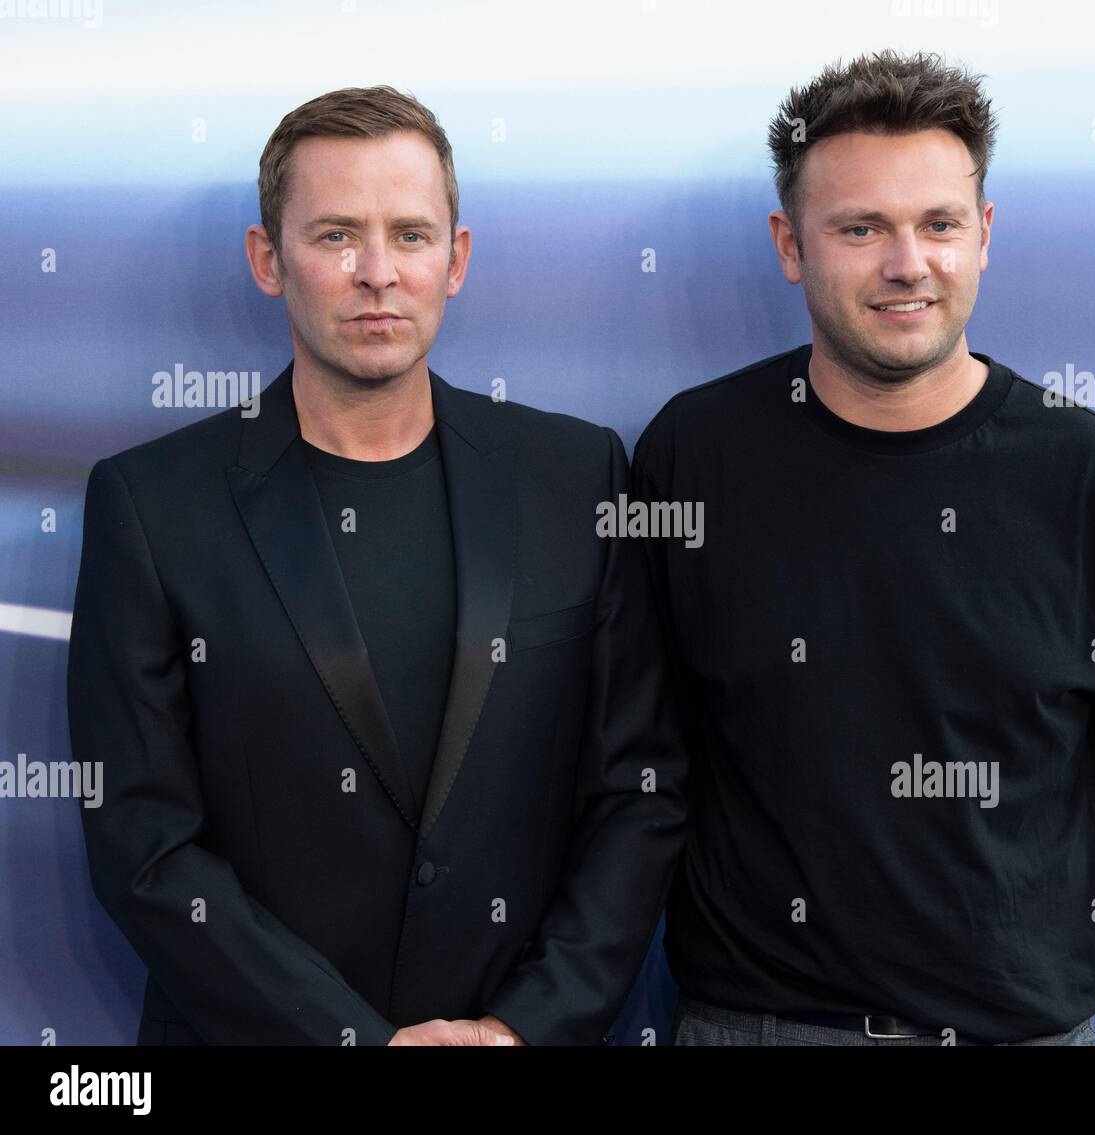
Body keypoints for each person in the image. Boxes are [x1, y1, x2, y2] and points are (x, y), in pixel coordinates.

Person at [67, 85, 686, 1046]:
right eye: (336, 236)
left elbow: (637, 795)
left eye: (410, 235)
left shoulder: (575, 477)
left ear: (457, 259)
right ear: (268, 260)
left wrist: (520, 1029)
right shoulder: (152, 506)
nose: (377, 274)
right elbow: (143, 847)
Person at [631, 50, 1095, 1047]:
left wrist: (999, 913)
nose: (908, 263)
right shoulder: (694, 454)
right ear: (789, 243)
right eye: (861, 228)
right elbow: (640, 751)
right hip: (755, 1022)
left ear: (983, 236)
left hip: (1014, 1026)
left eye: (939, 223)